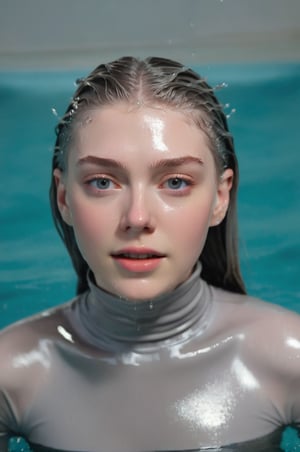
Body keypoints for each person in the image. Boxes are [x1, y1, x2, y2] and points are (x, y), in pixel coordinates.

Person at [0, 56, 299, 452]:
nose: (137, 217)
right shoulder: (11, 374)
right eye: (102, 182)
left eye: (175, 182)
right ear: (64, 197)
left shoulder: (288, 358)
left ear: (220, 197)